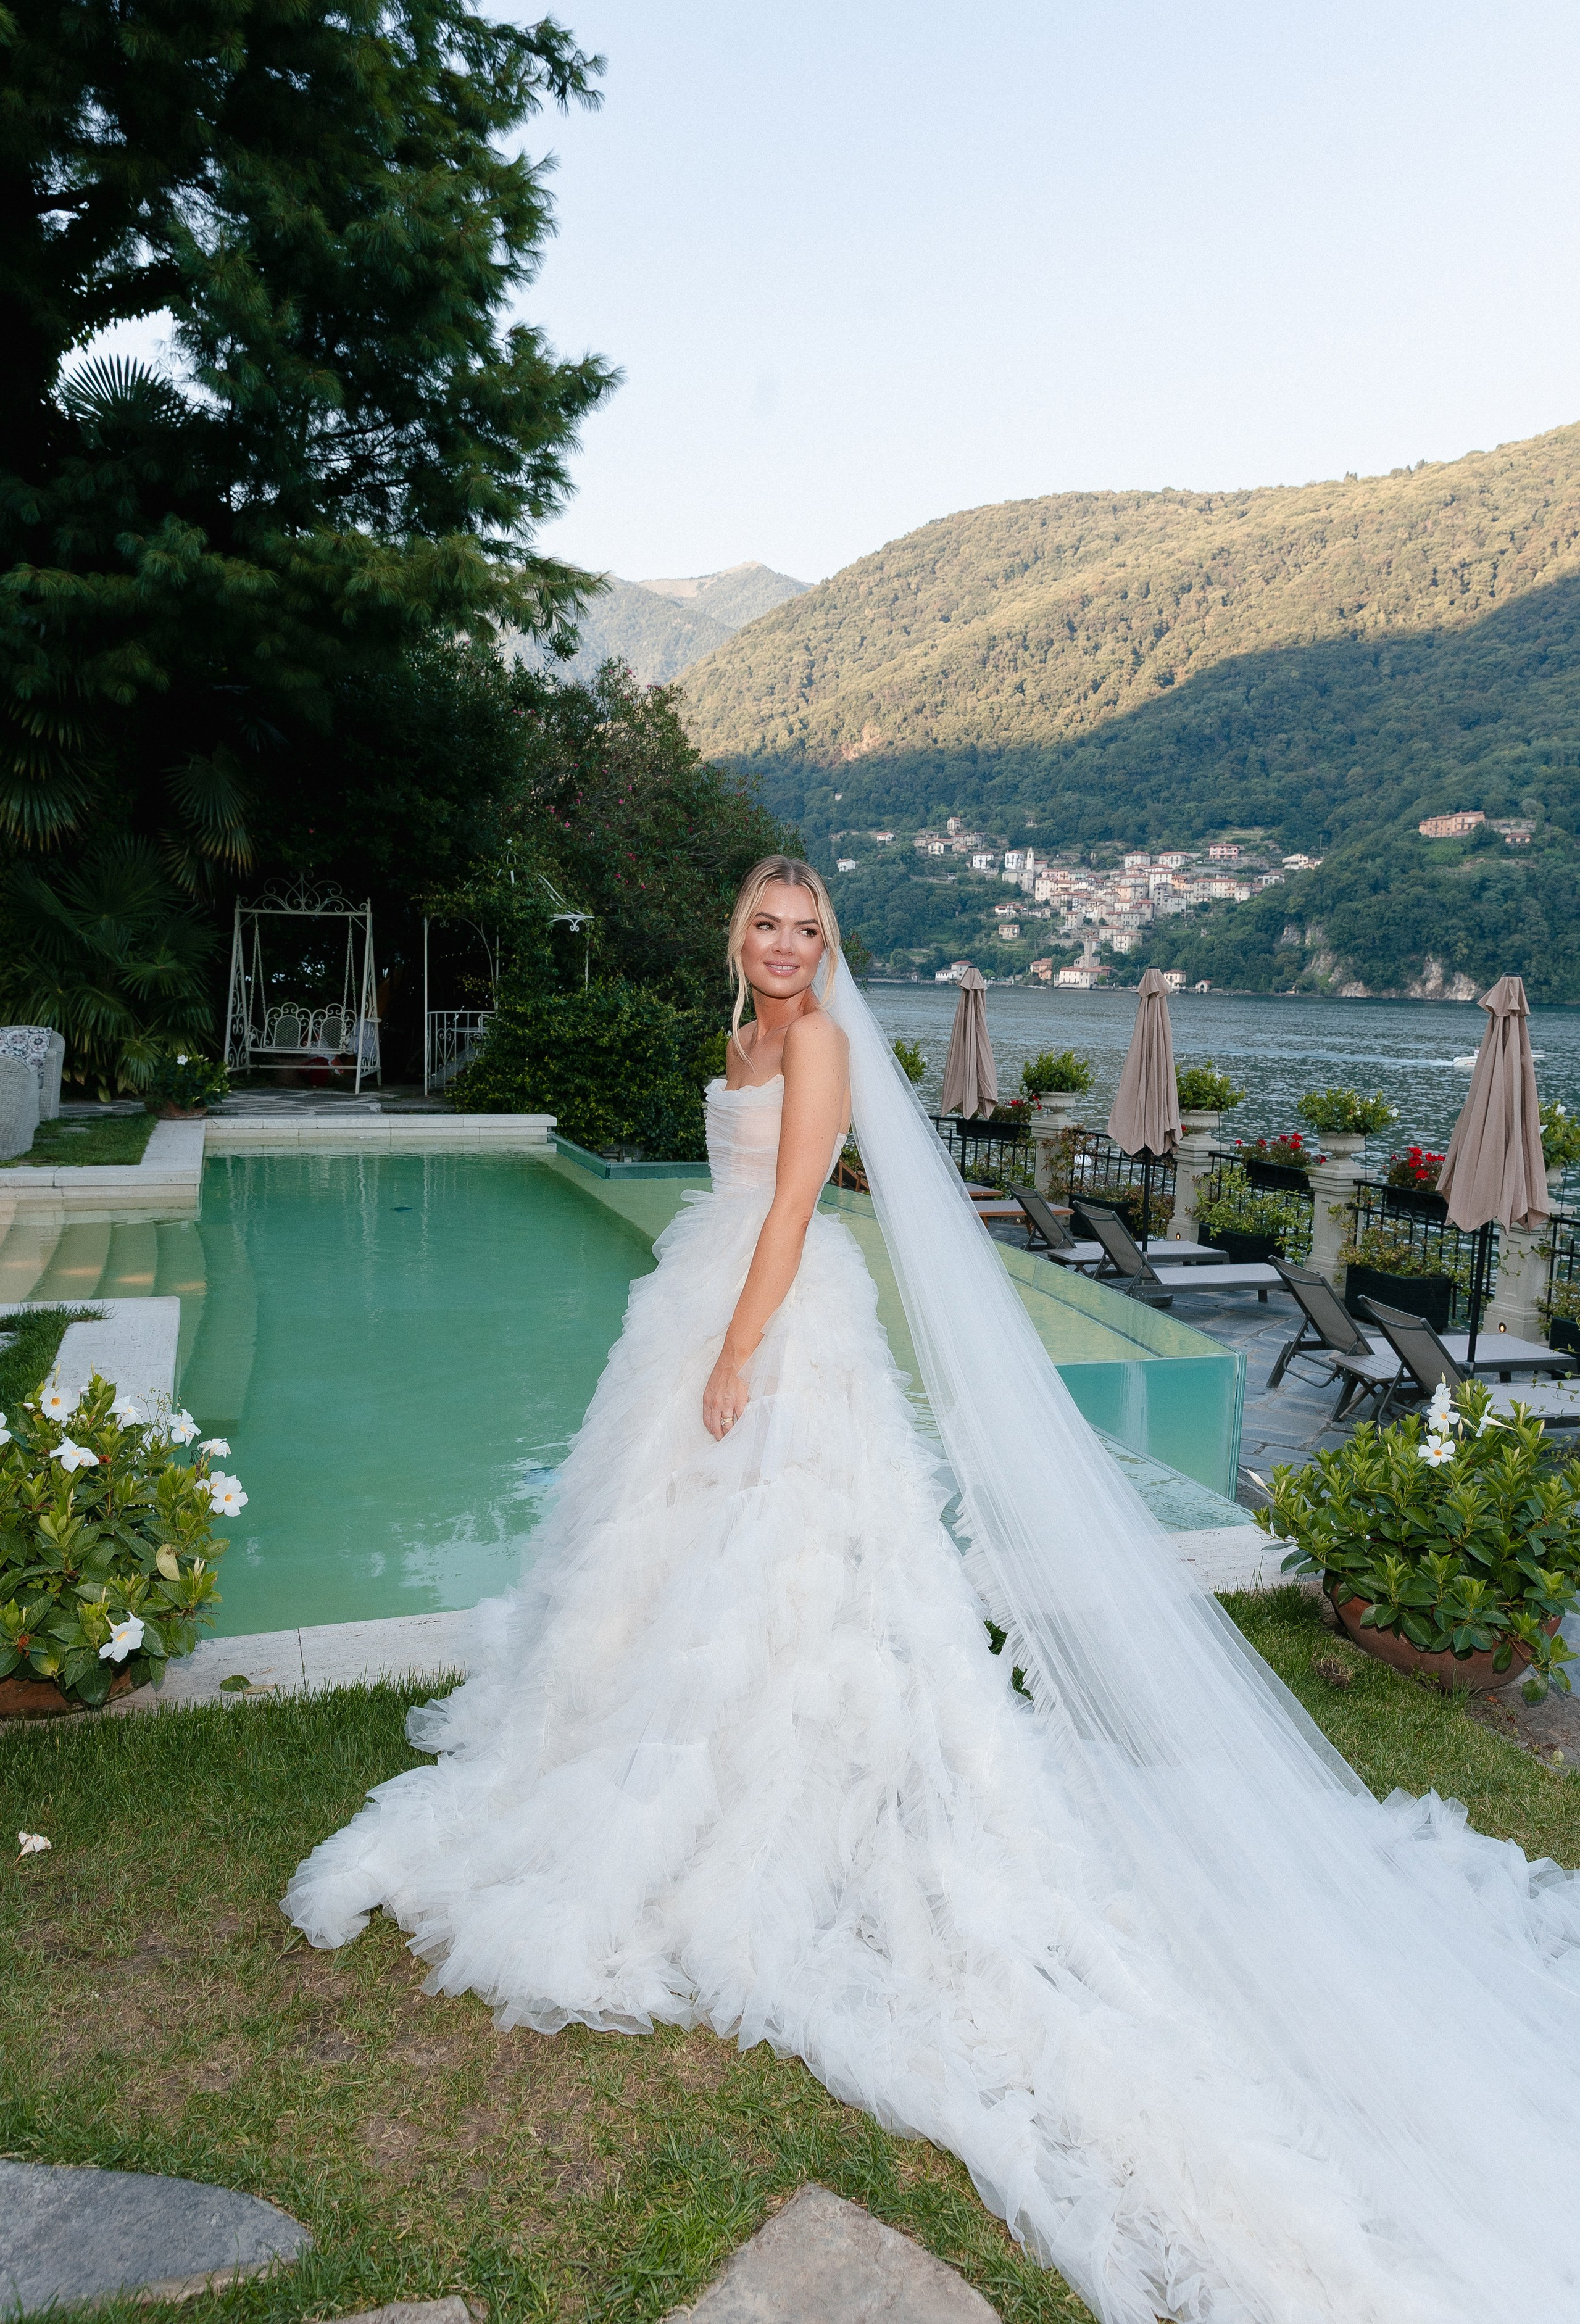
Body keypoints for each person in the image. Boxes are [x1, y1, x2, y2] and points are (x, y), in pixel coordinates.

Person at [286, 857, 1580, 2324]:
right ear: (739, 939)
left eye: (804, 932)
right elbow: (730, 1197)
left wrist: (730, 1356)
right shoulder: (738, 1037)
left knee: (793, 1564)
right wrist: (696, 1338)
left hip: (773, 1326)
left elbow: (788, 1215)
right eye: (764, 929)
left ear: (827, 946)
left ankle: (813, 1776)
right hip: (697, 1304)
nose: (782, 951)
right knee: (657, 1554)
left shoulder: (824, 1042)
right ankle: (638, 1740)